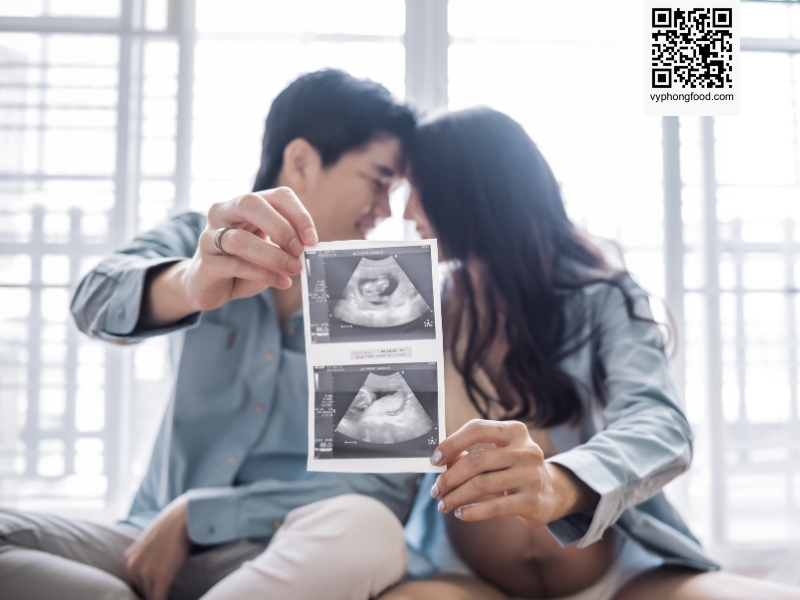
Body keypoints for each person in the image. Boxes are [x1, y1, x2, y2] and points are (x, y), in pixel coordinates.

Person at [0, 69, 419, 600]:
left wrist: (199, 515)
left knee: (369, 528)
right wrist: (190, 283)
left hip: (288, 556)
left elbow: (379, 483)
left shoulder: (381, 293)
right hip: (145, 547)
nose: (387, 210)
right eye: (379, 180)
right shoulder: (205, 239)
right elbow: (92, 300)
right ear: (302, 161)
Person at [380, 107, 800, 599]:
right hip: (467, 581)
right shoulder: (412, 310)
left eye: (418, 188)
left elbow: (660, 425)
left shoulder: (603, 298)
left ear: (469, 191)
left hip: (623, 577)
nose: (406, 212)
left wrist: (557, 484)